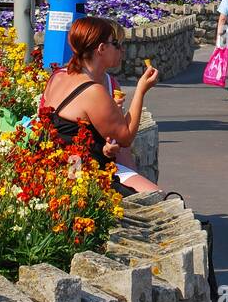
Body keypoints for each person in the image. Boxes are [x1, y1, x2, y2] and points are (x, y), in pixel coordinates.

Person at [38, 16, 160, 194]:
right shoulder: (93, 90)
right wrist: (141, 91)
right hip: (78, 176)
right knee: (160, 199)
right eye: (116, 44)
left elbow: (66, 131)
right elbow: (125, 137)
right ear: (102, 49)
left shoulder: (58, 76)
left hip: (54, 166)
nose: (121, 50)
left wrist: (103, 147)